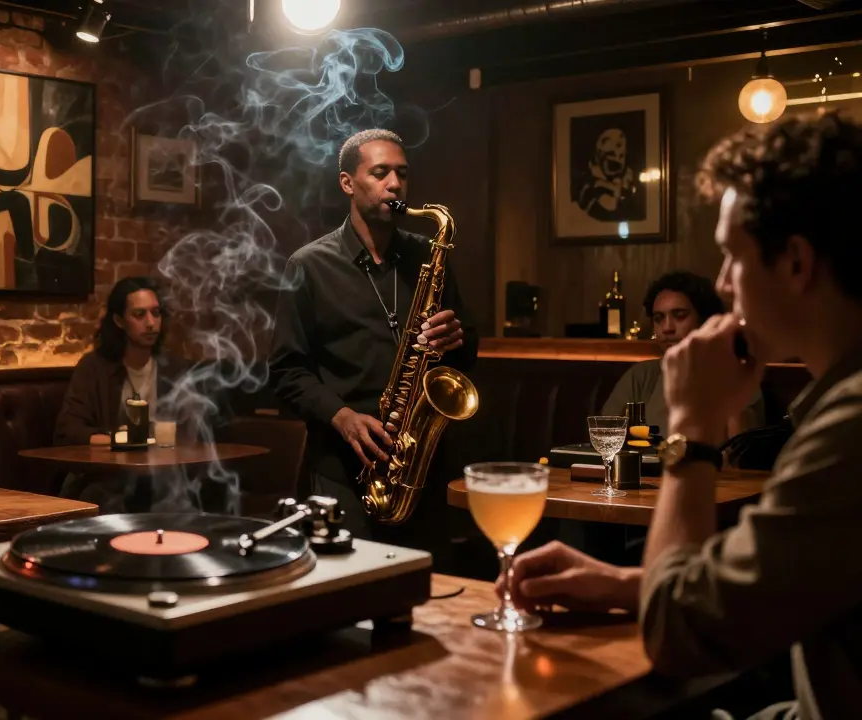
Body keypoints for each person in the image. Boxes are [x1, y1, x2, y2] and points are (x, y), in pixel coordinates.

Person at [500, 111, 862, 720]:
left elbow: (678, 635)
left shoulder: (851, 429)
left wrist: (693, 425)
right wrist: (621, 585)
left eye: (731, 257)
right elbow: (762, 594)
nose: (722, 284)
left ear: (796, 264)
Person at [269, 128, 478, 540]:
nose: (395, 184)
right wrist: (342, 417)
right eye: (380, 172)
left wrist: (458, 337)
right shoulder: (308, 266)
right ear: (347, 182)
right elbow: (286, 371)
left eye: (402, 173)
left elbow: (466, 350)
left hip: (422, 467)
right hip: (344, 470)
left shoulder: (429, 253)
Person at [54, 276, 196, 512]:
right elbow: (68, 431)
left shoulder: (174, 369)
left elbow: (190, 431)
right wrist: (123, 441)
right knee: (107, 497)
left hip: (161, 476)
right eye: (139, 315)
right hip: (105, 477)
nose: (151, 323)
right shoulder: (94, 367)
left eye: (156, 313)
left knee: (181, 496)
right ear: (119, 321)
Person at [601, 270, 765, 436]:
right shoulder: (642, 377)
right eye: (659, 319)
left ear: (705, 320)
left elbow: (741, 451)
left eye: (679, 316)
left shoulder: (737, 376)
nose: (667, 328)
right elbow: (605, 436)